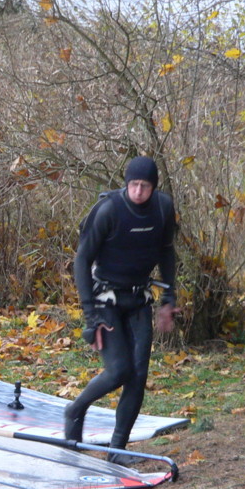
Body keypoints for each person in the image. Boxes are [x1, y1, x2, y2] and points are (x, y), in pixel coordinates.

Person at [66, 156, 179, 464]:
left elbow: (167, 251)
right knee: (119, 371)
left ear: (154, 187)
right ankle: (75, 410)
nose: (138, 191)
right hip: (106, 300)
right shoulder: (109, 210)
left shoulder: (163, 208)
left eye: (145, 186)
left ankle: (117, 450)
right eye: (133, 185)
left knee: (138, 376)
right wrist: (90, 316)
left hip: (139, 298)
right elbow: (81, 260)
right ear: (126, 184)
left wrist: (169, 297)